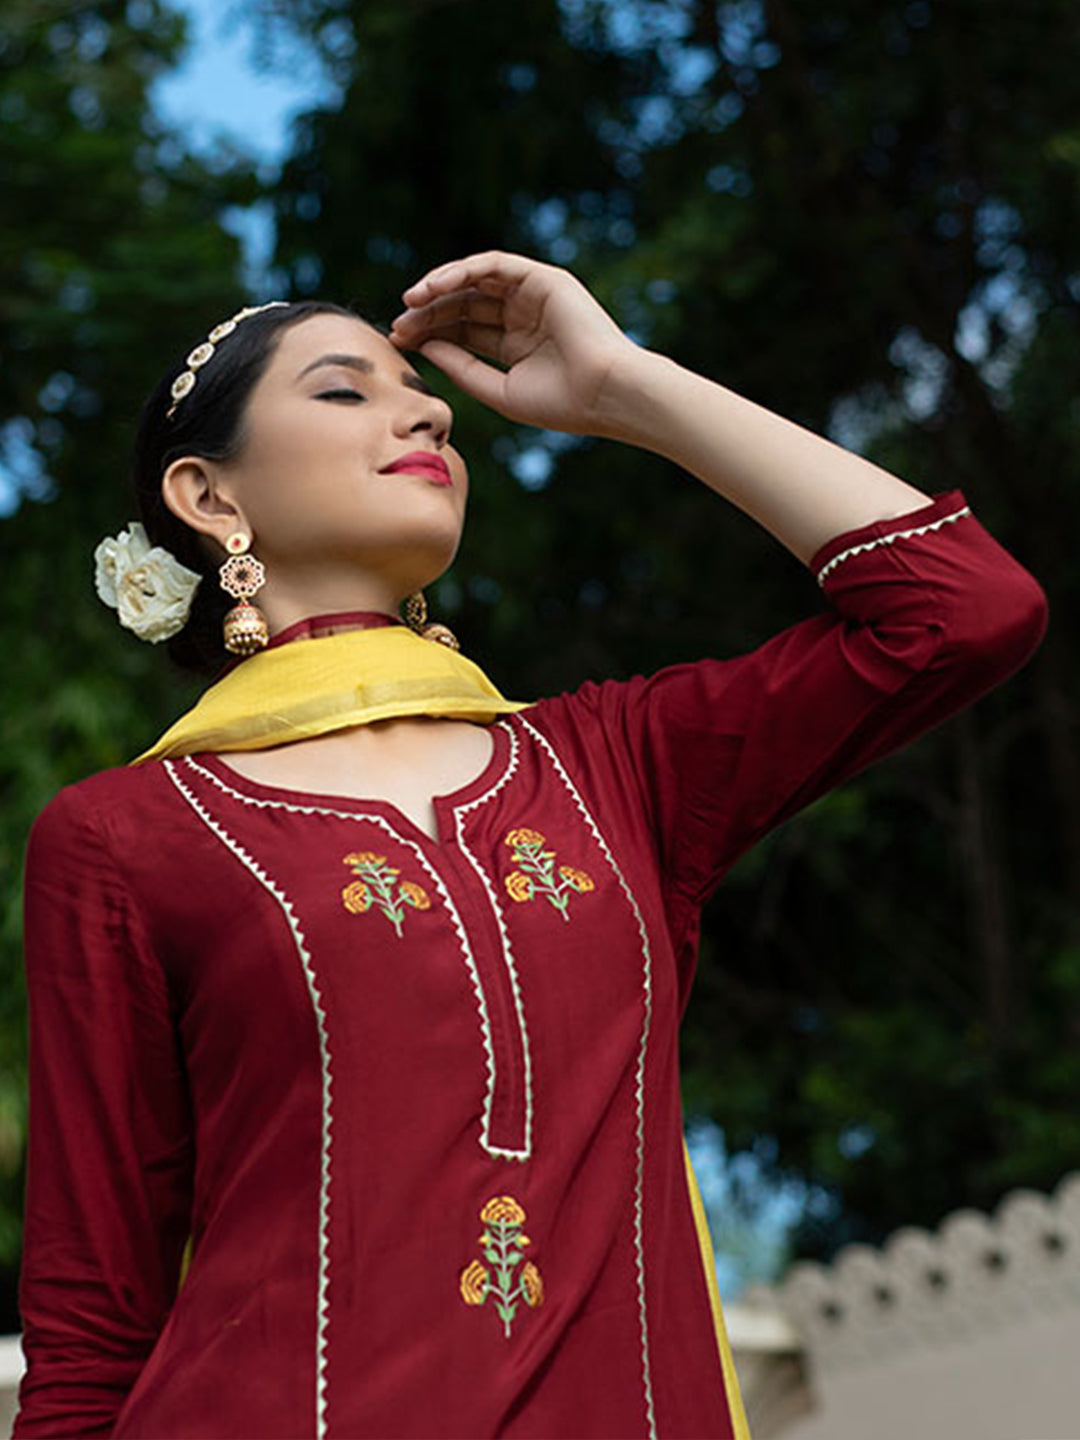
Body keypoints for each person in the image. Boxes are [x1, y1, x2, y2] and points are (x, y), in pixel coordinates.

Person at [12, 250, 1048, 1440]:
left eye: (422, 392)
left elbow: (964, 611)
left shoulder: (615, 768)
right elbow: (91, 1322)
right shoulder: (128, 837)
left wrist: (624, 385)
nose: (429, 410)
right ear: (208, 496)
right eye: (346, 390)